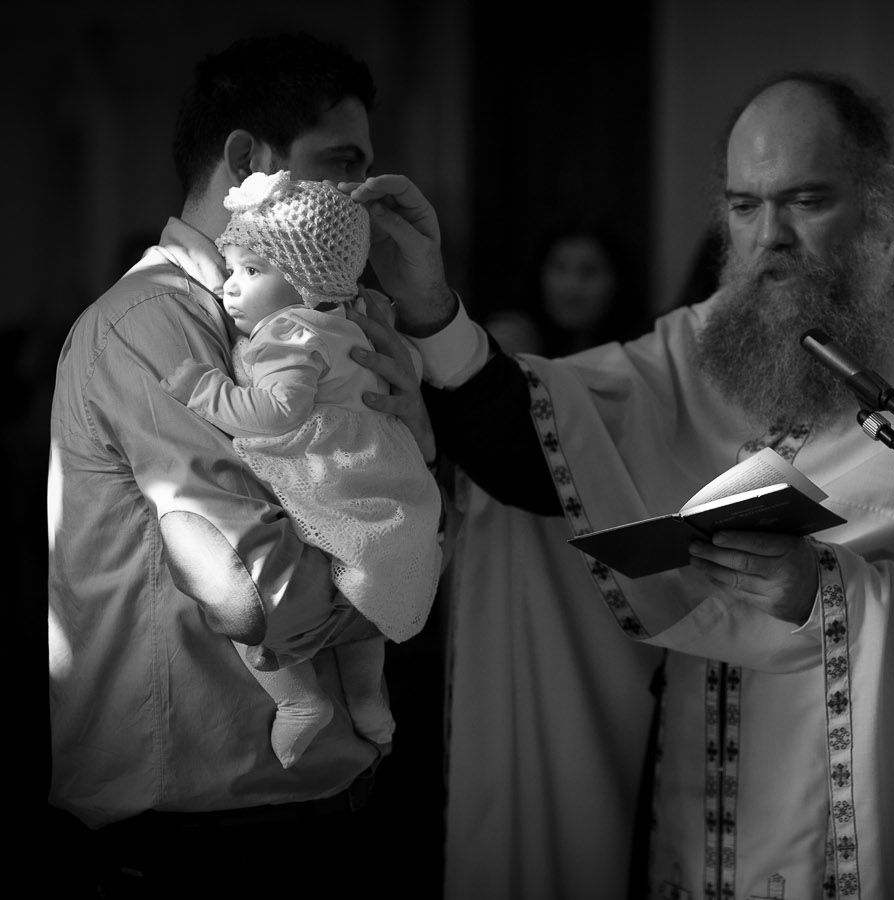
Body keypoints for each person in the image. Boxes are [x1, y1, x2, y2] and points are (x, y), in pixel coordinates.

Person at [352, 71, 894, 899]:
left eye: (805, 201)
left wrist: (828, 593)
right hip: (694, 814)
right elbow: (543, 452)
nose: (769, 235)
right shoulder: (698, 347)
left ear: (878, 202)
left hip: (863, 829)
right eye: (745, 207)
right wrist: (427, 307)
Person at [47, 32, 448, 898]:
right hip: (199, 833)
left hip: (319, 806)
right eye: (341, 165)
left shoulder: (314, 320)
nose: (361, 198)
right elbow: (268, 597)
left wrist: (414, 441)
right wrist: (407, 561)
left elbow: (402, 492)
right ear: (246, 159)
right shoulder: (150, 325)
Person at [160, 171, 442, 768]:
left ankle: (299, 701)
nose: (231, 287)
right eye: (231, 269)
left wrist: (203, 389)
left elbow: (275, 411)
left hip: (329, 479)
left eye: (253, 271)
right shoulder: (345, 324)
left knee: (240, 609)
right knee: (369, 612)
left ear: (307, 281)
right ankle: (370, 705)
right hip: (380, 479)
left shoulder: (286, 335)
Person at [483, 224, 648, 358]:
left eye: (589, 271)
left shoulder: (639, 350)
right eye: (559, 268)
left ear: (619, 281)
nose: (571, 286)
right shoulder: (515, 337)